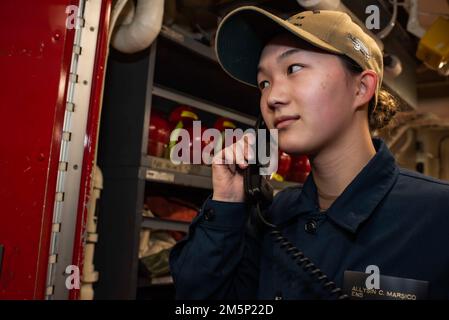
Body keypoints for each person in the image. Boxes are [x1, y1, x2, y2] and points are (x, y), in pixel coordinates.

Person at [169, 6, 449, 300]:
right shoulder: (274, 217)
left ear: (361, 88)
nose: (272, 97)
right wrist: (226, 205)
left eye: (294, 69)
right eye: (264, 82)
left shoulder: (437, 216)